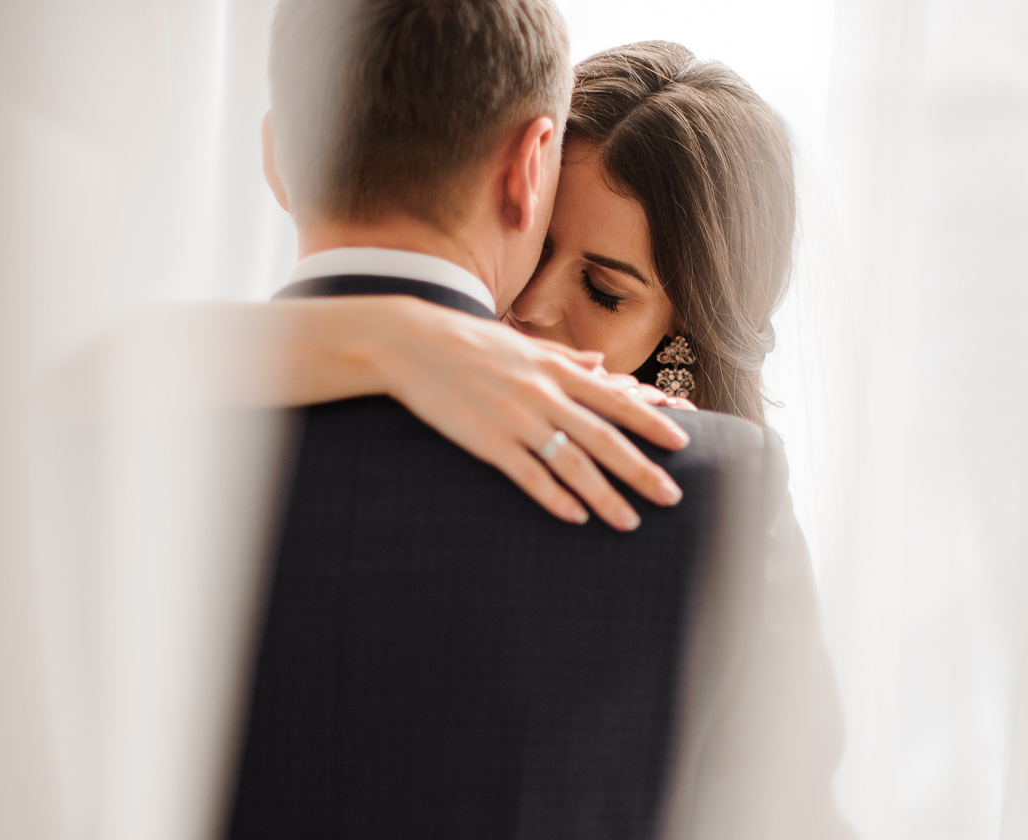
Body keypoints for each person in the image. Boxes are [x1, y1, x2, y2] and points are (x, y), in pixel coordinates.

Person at [225, 2, 849, 839]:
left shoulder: (715, 497)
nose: (526, 303)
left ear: (682, 334)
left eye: (604, 290)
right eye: (534, 238)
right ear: (522, 180)